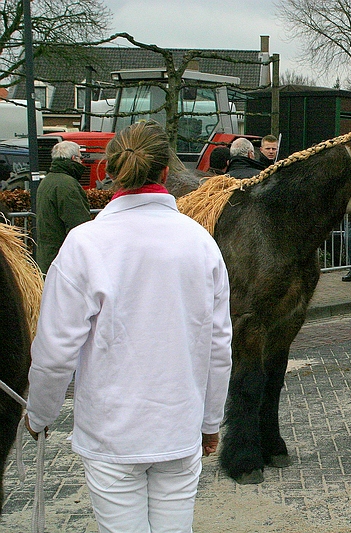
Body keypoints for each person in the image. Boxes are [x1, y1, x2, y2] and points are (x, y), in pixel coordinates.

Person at [25, 120, 233, 533]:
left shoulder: (85, 244)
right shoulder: (200, 242)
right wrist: (210, 422)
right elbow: (219, 346)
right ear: (164, 173)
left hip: (112, 433)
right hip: (178, 426)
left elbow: (55, 350)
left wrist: (39, 413)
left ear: (111, 171)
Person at [35, 140, 92, 275]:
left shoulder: (48, 180)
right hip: (63, 259)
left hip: (47, 256)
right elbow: (79, 226)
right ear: (73, 159)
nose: (82, 162)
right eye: (80, 158)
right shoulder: (67, 185)